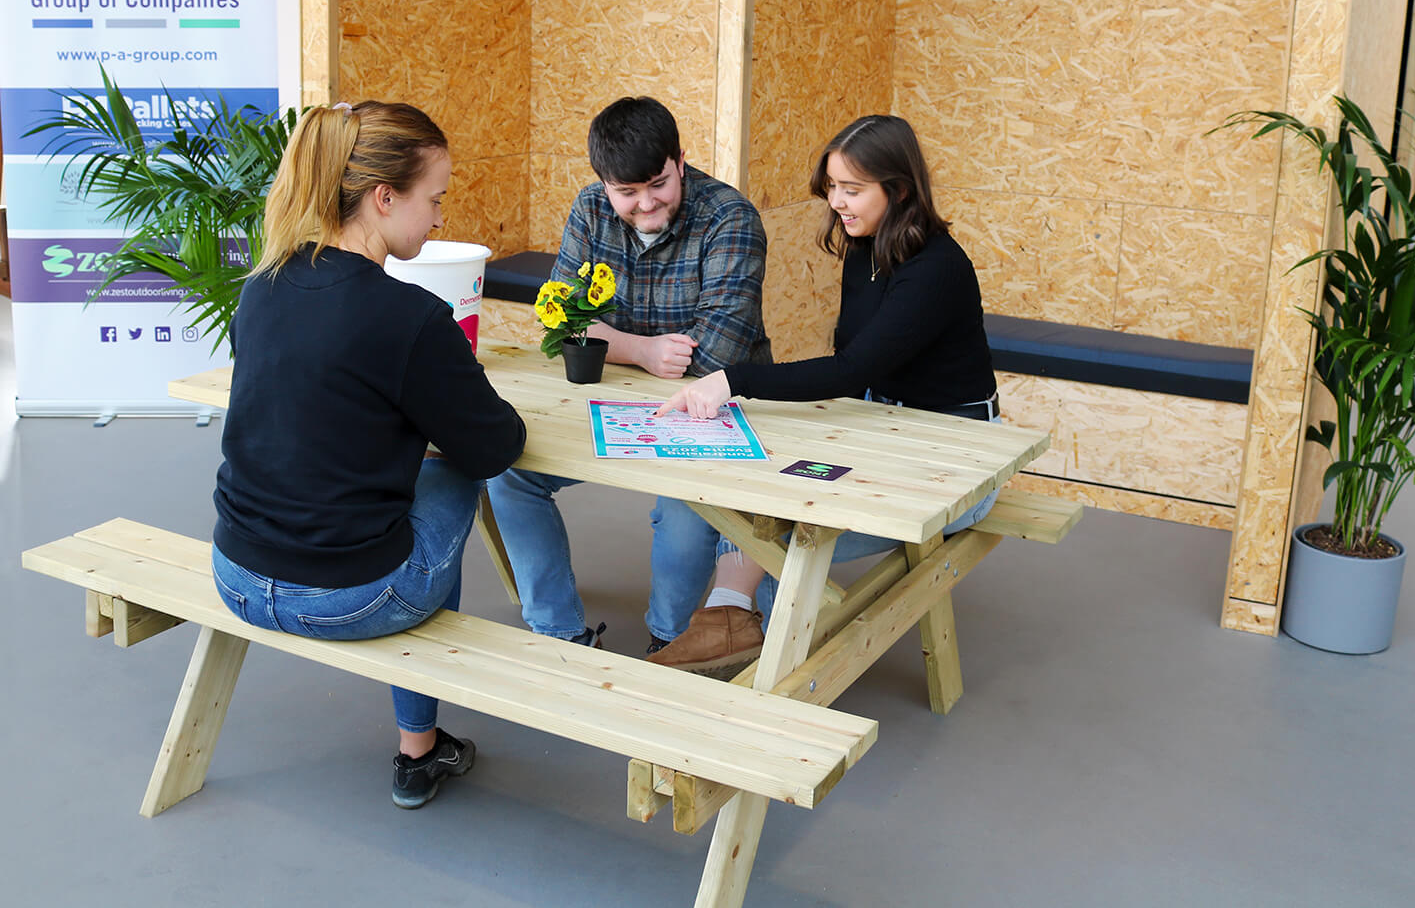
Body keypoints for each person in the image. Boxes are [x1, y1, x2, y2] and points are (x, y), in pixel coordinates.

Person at [210, 101, 526, 809]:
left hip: (236, 574)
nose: (439, 219)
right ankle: (418, 748)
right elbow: (495, 447)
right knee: (450, 469)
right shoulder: (410, 317)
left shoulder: (261, 286)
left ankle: (423, 743)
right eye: (434, 200)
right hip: (350, 599)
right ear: (384, 197)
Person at [648, 114, 999, 675]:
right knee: (756, 494)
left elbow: (849, 369)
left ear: (899, 189)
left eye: (852, 189)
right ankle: (726, 622)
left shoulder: (937, 269)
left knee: (784, 536)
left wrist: (734, 380)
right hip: (883, 429)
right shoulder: (866, 246)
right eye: (832, 186)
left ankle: (754, 652)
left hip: (959, 458)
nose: (836, 201)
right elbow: (855, 370)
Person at [488, 96, 771, 653]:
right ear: (604, 183)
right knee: (508, 470)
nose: (645, 203)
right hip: (612, 401)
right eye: (627, 192)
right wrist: (641, 351)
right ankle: (559, 633)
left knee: (685, 505)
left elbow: (716, 354)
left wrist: (604, 342)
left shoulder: (731, 218)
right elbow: (561, 321)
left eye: (659, 184)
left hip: (711, 412)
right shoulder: (590, 208)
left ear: (680, 162)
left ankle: (668, 642)